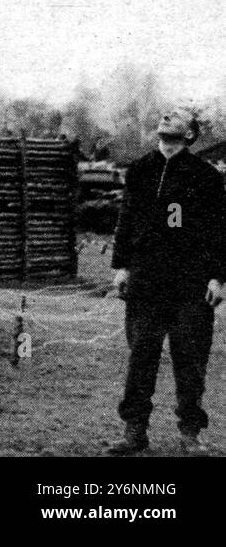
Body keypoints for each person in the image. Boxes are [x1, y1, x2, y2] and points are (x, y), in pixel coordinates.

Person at [109, 107, 226, 455]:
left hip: (190, 284)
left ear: (189, 134)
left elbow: (221, 230)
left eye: (176, 117)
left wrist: (219, 277)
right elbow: (126, 219)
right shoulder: (141, 169)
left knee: (190, 361)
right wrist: (122, 266)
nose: (165, 118)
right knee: (141, 357)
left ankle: (190, 433)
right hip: (146, 281)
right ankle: (134, 432)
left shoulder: (205, 175)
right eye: (164, 116)